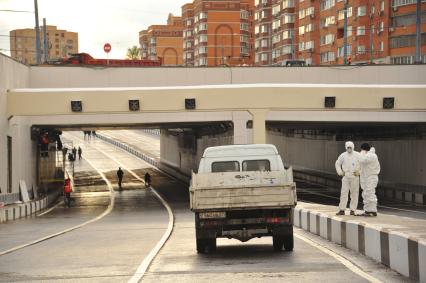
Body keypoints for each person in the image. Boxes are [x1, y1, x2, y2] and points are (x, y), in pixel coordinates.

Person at [335, 141, 360, 216]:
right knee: (344, 193)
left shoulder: (357, 155)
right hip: (346, 176)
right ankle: (342, 209)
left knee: (354, 194)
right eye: (348, 147)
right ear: (346, 147)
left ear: (353, 147)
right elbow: (337, 163)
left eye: (350, 147)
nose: (349, 149)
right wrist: (340, 172)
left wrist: (359, 172)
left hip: (354, 177)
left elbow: (363, 164)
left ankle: (352, 210)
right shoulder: (343, 155)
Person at [359, 143, 381, 217]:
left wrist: (361, 153)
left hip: (371, 177)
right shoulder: (369, 155)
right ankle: (368, 210)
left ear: (363, 149)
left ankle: (372, 210)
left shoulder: (371, 155)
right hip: (368, 177)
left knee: (369, 193)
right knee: (366, 193)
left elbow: (362, 160)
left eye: (361, 149)